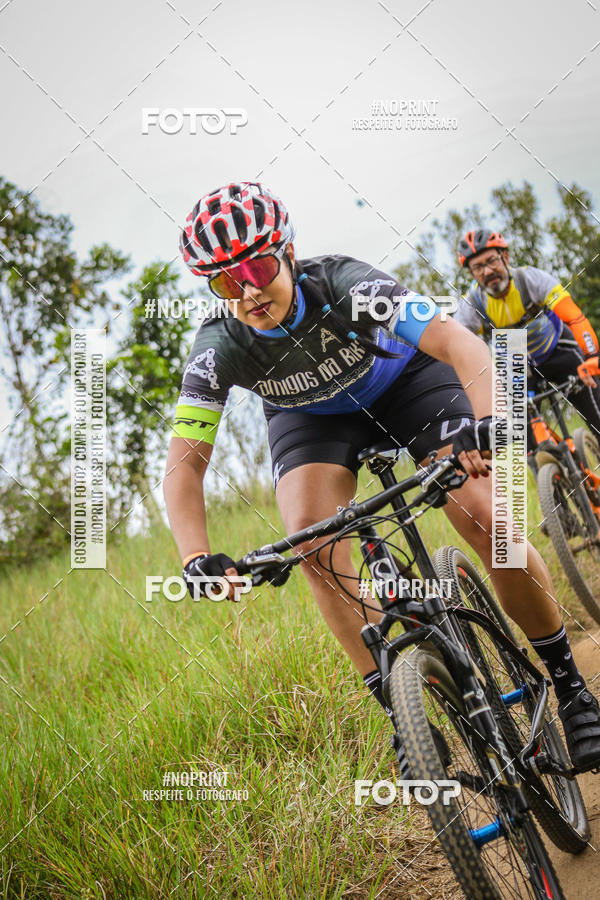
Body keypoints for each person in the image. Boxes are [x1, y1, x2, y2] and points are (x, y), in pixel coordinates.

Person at [163, 183, 600, 770]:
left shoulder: (347, 284)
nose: (247, 290)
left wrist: (489, 420)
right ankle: (401, 709)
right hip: (314, 420)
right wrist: (195, 557)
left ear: (287, 252)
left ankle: (570, 686)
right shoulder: (218, 346)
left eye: (257, 267)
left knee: (488, 517)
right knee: (314, 546)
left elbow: (457, 342)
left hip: (408, 385)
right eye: (224, 282)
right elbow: (186, 464)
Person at [454, 229, 600, 449]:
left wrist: (592, 356)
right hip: (517, 367)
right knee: (523, 441)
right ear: (472, 273)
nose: (487, 271)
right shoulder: (472, 304)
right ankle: (552, 471)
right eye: (478, 267)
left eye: (491, 261)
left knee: (596, 414)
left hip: (557, 350)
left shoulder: (531, 279)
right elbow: (455, 349)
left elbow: (574, 317)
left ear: (505, 257)